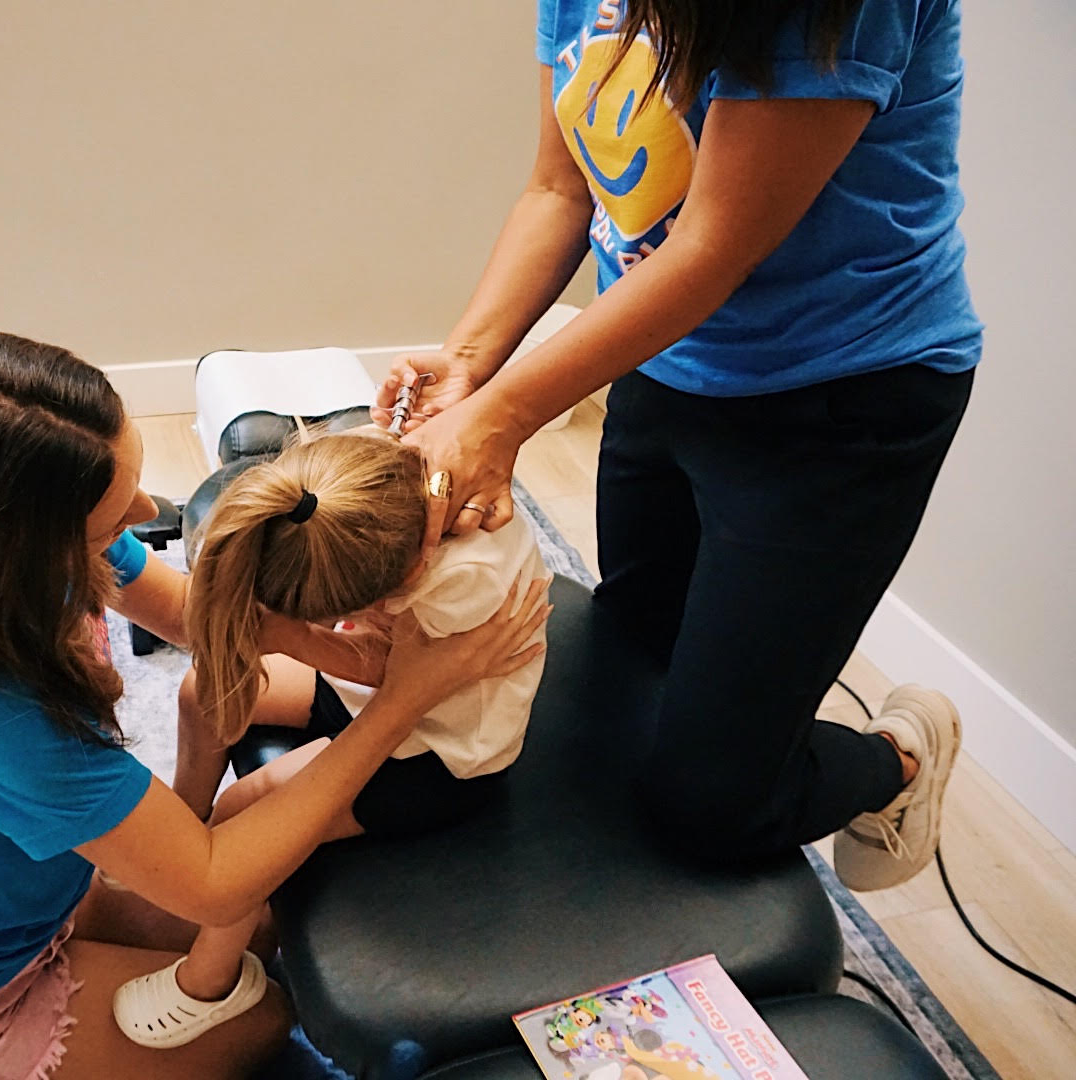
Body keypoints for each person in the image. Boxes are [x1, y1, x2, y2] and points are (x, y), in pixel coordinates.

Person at [0, 332, 549, 1080]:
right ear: (22, 553)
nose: (141, 510)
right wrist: (404, 699)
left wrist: (335, 649)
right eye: (105, 523)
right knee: (267, 1019)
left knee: (259, 934)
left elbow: (193, 616)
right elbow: (216, 876)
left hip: (20, 911)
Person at [374, 0, 978, 889]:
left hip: (843, 401)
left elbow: (711, 246)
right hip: (664, 362)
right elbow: (560, 188)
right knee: (633, 653)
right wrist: (466, 365)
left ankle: (899, 759)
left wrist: (500, 418)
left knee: (715, 804)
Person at [114, 429, 551, 1048]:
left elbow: (393, 675)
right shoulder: (378, 485)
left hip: (433, 755)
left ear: (387, 589)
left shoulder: (464, 583)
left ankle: (210, 982)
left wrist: (290, 637)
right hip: (374, 695)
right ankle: (186, 821)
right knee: (203, 690)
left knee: (248, 813)